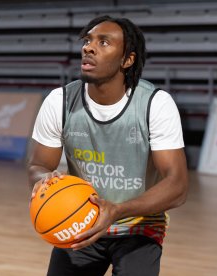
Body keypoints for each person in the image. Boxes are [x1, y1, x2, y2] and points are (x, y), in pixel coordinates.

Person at [27, 15, 188, 276]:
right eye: (88, 40)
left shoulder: (155, 104)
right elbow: (38, 165)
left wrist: (117, 210)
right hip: (80, 221)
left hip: (139, 225)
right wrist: (45, 179)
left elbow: (177, 186)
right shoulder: (60, 101)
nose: (88, 47)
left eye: (104, 42)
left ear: (127, 60)